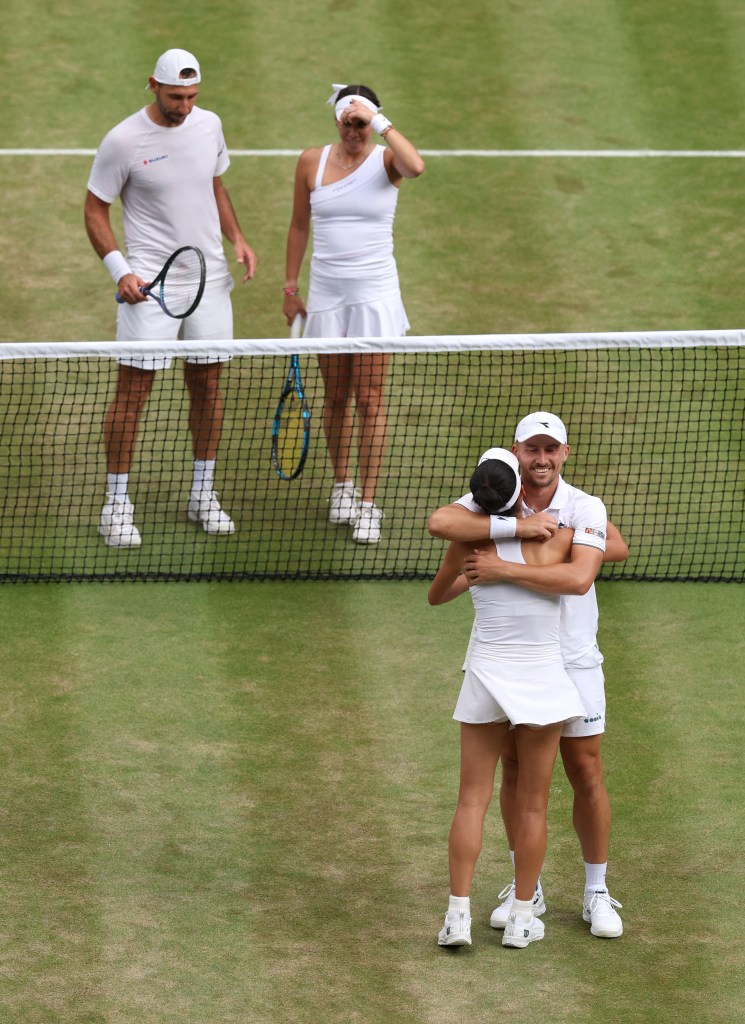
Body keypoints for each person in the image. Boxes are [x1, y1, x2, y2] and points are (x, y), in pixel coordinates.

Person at [428, 412, 628, 939]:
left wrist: (499, 569)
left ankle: (596, 891)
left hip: (573, 659)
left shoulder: (582, 508)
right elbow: (442, 525)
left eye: (550, 450)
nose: (541, 459)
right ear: (516, 454)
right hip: (520, 664)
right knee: (515, 780)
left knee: (585, 773)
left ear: (564, 453)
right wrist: (516, 527)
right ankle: (527, 894)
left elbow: (585, 574)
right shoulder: (495, 503)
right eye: (531, 449)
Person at [84, 48, 257, 547]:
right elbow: (95, 209)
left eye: (192, 97)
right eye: (175, 97)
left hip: (208, 281)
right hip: (150, 289)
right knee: (133, 393)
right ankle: (116, 505)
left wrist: (238, 239)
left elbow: (215, 186)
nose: (184, 106)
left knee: (207, 387)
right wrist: (120, 270)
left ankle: (202, 493)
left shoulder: (210, 125)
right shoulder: (123, 140)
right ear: (153, 86)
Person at [282, 83, 425, 544]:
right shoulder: (311, 161)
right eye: (349, 122)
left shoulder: (387, 161)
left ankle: (368, 503)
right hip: (326, 295)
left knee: (370, 400)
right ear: (337, 121)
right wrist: (290, 287)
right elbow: (299, 225)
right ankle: (342, 485)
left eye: (362, 123)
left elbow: (417, 166)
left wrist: (382, 122)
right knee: (337, 397)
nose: (354, 131)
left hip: (374, 297)